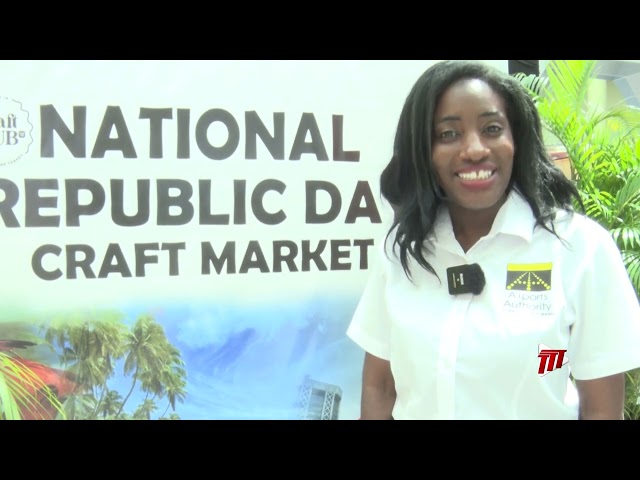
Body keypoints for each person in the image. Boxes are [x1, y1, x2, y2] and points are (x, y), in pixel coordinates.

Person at [346, 60, 640, 420]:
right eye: (448, 134)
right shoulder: (401, 252)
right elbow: (381, 386)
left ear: (516, 139)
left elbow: (600, 407)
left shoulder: (579, 248)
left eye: (491, 128)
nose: (474, 149)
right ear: (424, 151)